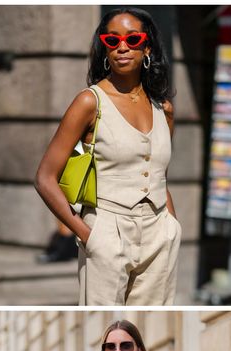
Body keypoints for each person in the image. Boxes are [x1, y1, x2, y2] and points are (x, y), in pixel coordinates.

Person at [35, 7, 181, 305]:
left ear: (147, 47)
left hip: (159, 234)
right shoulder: (90, 102)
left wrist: (171, 228)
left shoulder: (163, 108)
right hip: (106, 229)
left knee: (152, 321)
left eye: (133, 39)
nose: (122, 47)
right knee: (104, 321)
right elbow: (45, 178)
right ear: (105, 48)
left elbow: (158, 175)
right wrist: (88, 236)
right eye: (112, 41)